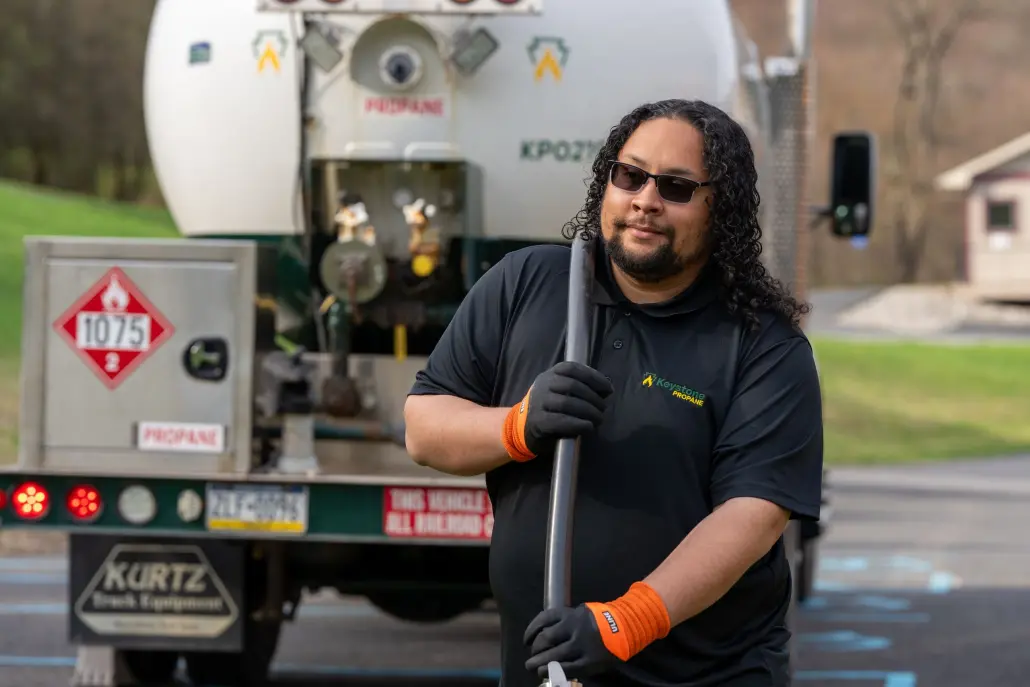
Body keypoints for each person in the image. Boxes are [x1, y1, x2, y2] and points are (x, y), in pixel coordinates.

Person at [403, 99, 824, 687]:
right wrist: (516, 426)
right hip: (544, 673)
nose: (645, 200)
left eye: (676, 187)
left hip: (705, 676)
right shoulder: (524, 284)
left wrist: (624, 624)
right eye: (630, 175)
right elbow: (424, 428)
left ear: (719, 209)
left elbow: (753, 516)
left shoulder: (763, 345)